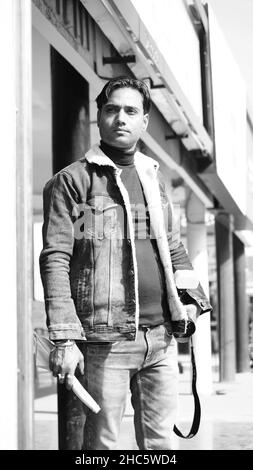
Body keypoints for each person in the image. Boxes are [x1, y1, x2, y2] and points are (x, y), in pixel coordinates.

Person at [40, 76, 212, 450]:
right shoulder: (72, 182)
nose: (121, 118)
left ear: (144, 121)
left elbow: (174, 247)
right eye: (112, 109)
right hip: (106, 342)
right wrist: (65, 338)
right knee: (101, 446)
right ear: (99, 117)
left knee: (162, 445)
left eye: (131, 111)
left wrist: (194, 301)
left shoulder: (153, 176)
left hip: (162, 339)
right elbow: (55, 258)